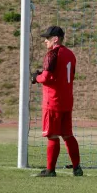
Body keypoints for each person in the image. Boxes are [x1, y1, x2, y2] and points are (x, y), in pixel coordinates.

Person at [32, 26, 83, 177]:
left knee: (52, 135)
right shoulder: (71, 54)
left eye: (47, 38)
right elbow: (67, 76)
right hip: (67, 100)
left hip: (52, 101)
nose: (45, 41)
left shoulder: (52, 54)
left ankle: (50, 170)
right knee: (67, 135)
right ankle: (77, 168)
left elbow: (47, 78)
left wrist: (36, 78)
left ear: (55, 39)